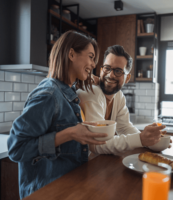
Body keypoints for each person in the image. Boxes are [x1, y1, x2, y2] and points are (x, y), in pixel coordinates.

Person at [7, 30, 107, 199]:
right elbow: (16, 149)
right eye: (90, 57)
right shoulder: (49, 95)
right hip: (46, 193)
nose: (93, 64)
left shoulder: (67, 92)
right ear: (71, 54)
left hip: (67, 191)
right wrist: (69, 134)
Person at [77, 45, 167, 155]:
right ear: (101, 70)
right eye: (107, 68)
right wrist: (141, 139)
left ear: (127, 78)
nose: (110, 75)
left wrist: (150, 140)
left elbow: (124, 127)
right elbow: (97, 144)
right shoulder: (93, 93)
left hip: (99, 161)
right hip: (82, 164)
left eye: (118, 71)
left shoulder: (118, 96)